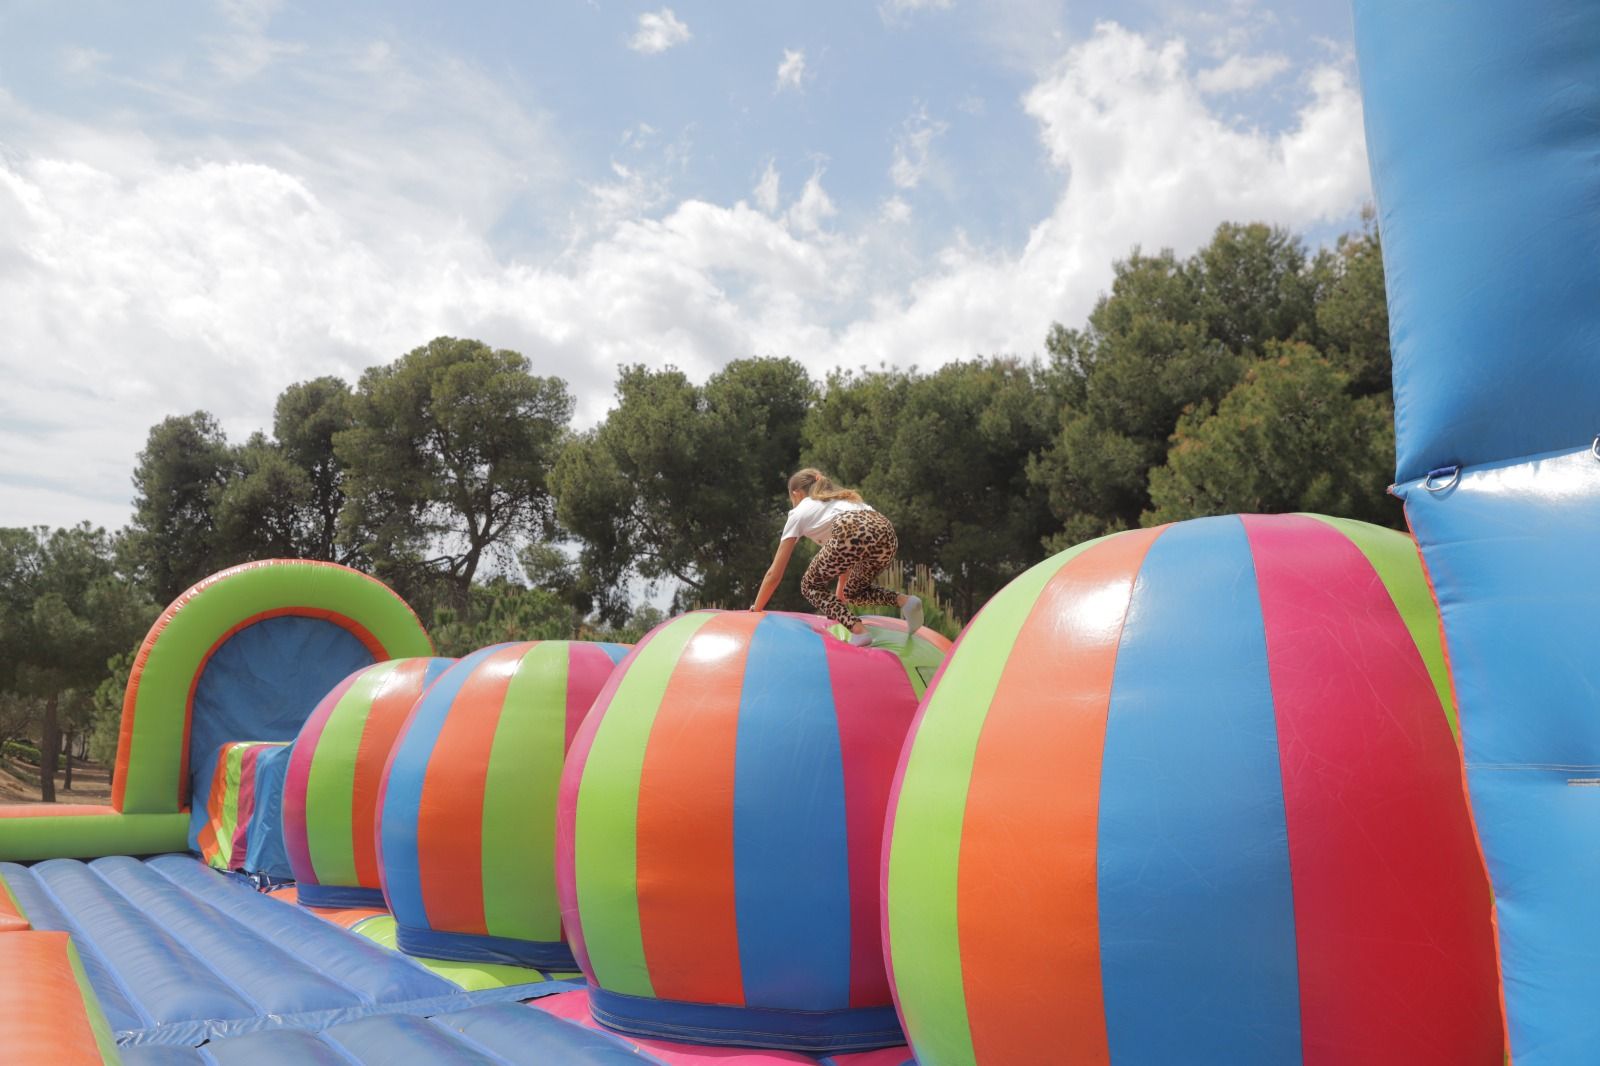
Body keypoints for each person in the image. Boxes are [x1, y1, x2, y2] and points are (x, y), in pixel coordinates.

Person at [749, 468, 923, 646]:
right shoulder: (843, 500)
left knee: (810, 585)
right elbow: (846, 559)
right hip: (886, 532)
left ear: (796, 494)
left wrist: (757, 609)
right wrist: (838, 607)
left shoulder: (799, 512)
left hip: (850, 528)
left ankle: (859, 631)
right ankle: (906, 601)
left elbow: (774, 574)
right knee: (853, 592)